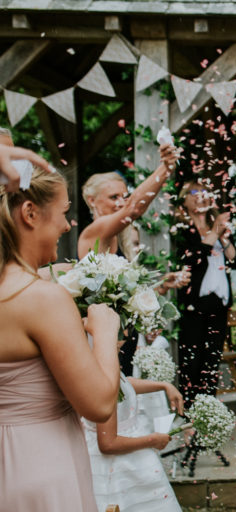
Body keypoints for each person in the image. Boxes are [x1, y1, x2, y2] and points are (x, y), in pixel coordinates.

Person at [0, 165, 121, 510]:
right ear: (29, 212)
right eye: (64, 213)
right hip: (41, 465)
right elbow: (98, 405)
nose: (67, 226)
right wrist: (105, 332)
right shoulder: (43, 299)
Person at [79, 146, 185, 374]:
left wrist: (162, 286)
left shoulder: (118, 237)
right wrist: (165, 168)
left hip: (123, 338)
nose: (120, 202)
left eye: (123, 196)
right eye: (113, 197)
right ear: (92, 200)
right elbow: (133, 209)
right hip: (107, 342)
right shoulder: (96, 231)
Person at [175, 181, 236, 407]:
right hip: (195, 306)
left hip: (219, 305)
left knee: (211, 364)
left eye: (204, 192)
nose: (200, 196)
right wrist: (214, 232)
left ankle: (207, 414)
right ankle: (189, 415)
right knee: (192, 364)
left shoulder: (217, 230)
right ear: (184, 200)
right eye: (193, 193)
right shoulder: (182, 231)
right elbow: (192, 260)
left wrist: (223, 237)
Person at [83, 374, 184, 512]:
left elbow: (124, 385)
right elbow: (108, 444)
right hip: (115, 469)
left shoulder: (106, 366)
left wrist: (164, 385)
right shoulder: (101, 377)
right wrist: (151, 441)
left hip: (133, 462)